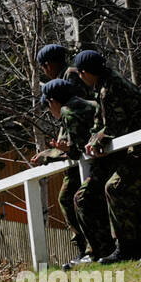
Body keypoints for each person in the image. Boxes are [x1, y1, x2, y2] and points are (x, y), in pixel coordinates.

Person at [74, 49, 141, 263]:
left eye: (81, 73)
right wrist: (93, 140)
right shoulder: (106, 84)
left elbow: (116, 126)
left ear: (86, 72)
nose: (81, 78)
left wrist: (97, 141)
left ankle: (129, 248)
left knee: (115, 188)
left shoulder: (109, 89)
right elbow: (102, 124)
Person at [32, 78, 102, 266]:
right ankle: (90, 248)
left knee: (77, 198)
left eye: (48, 108)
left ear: (52, 102)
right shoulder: (80, 104)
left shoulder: (69, 111)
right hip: (98, 159)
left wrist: (61, 150)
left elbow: (78, 149)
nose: (50, 112)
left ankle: (94, 249)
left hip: (100, 162)